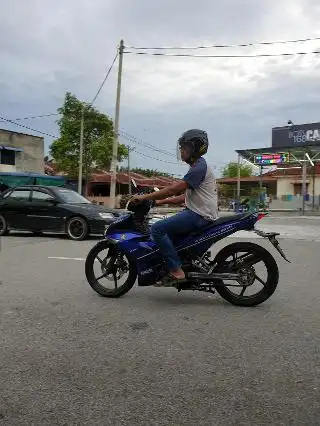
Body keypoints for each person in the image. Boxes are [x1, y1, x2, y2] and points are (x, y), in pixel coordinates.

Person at [130, 129, 218, 286]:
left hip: (198, 215)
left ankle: (176, 270)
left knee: (157, 229)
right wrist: (158, 202)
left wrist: (144, 197)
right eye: (182, 148)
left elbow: (173, 189)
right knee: (167, 230)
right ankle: (180, 262)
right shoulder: (199, 166)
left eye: (185, 147)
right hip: (200, 213)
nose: (181, 151)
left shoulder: (198, 168)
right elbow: (185, 197)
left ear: (195, 148)